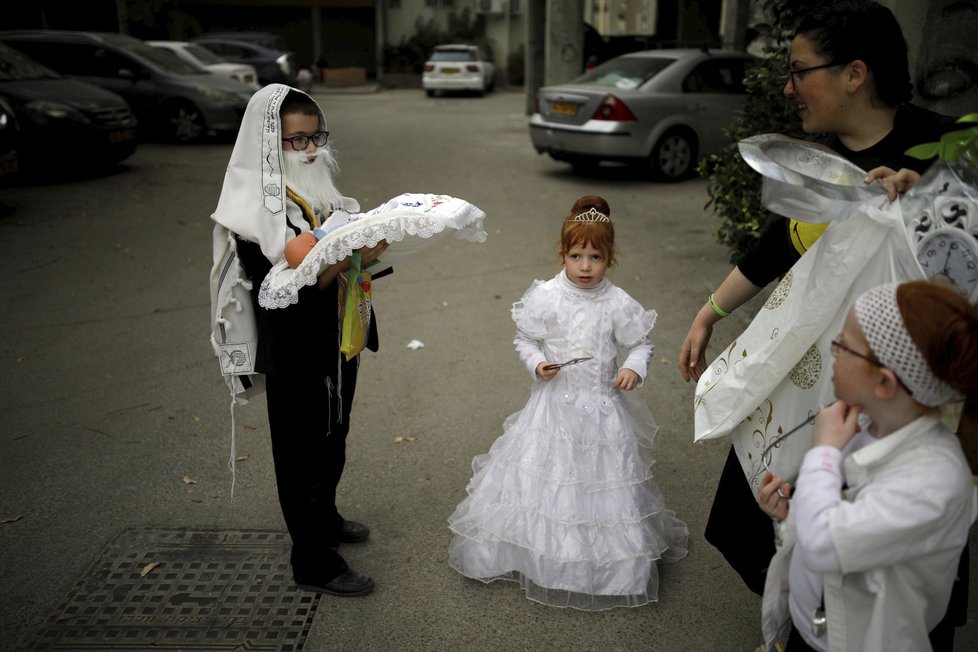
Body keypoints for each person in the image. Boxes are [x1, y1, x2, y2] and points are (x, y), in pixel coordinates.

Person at [678, 0, 959, 599]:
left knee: (867, 547)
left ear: (854, 73)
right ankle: (795, 623)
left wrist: (923, 208)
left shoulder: (941, 151)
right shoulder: (819, 166)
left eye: (800, 70)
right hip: (807, 370)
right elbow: (773, 248)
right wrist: (709, 315)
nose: (789, 86)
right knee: (757, 517)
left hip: (888, 392)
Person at [447, 196, 688, 610]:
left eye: (595, 257)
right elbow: (524, 339)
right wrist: (538, 362)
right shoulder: (546, 296)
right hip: (553, 409)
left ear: (610, 258)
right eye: (577, 256)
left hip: (601, 411)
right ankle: (538, 557)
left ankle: (611, 571)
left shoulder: (617, 302)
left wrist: (634, 368)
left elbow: (638, 344)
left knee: (603, 487)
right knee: (549, 482)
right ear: (563, 253)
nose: (585, 266)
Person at [209, 84, 388, 597]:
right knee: (300, 450)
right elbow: (287, 286)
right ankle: (313, 561)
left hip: (337, 335)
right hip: (294, 348)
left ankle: (325, 521)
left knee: (335, 431)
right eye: (297, 140)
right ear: (268, 145)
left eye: (317, 136)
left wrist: (367, 249)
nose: (311, 149)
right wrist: (350, 251)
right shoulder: (249, 209)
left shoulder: (314, 192)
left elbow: (333, 260)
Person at [756, 280, 978, 651]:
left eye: (843, 344)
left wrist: (822, 454)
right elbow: (839, 521)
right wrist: (791, 515)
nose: (833, 349)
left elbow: (826, 543)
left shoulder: (932, 482)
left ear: (885, 383)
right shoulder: (864, 427)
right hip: (821, 628)